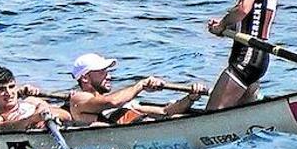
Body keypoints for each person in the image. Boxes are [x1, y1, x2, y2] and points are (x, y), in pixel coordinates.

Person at [206, 0, 278, 110]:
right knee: (239, 117)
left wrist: (222, 24)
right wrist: (225, 27)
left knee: (212, 115)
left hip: (248, 56)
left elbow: (243, 9)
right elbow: (247, 14)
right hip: (256, 54)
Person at [67, 54, 206, 126]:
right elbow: (113, 102)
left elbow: (165, 111)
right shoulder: (78, 99)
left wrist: (190, 98)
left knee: (175, 117)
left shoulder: (125, 102)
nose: (108, 76)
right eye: (102, 71)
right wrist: (141, 85)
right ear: (85, 78)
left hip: (146, 129)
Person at [0, 66, 69, 131]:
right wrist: (33, 119)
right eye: (1, 89)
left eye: (11, 87)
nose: (8, 93)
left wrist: (45, 110)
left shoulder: (32, 101)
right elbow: (6, 127)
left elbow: (67, 116)